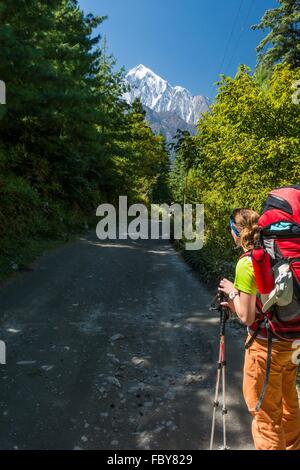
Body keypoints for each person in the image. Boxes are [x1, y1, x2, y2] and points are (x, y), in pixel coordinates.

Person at [218, 208, 300, 451]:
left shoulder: (248, 262)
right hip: (294, 341)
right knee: (289, 404)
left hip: (266, 346)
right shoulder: (283, 252)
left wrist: (231, 292)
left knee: (265, 414)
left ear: (236, 232)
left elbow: (246, 315)